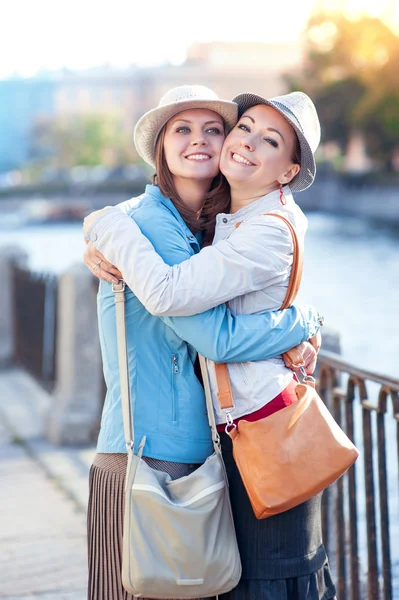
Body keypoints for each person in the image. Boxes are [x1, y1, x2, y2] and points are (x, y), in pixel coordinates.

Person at [83, 85, 325, 600]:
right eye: (182, 130)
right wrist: (302, 321)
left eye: (214, 129)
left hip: (190, 456)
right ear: (160, 148)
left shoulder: (204, 230)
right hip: (146, 458)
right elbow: (213, 336)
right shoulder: (152, 225)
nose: (200, 140)